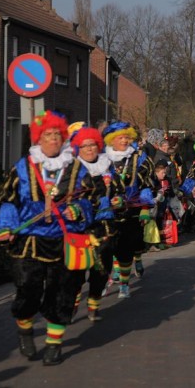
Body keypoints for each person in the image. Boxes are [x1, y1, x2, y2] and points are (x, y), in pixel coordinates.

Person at [0, 111, 97, 366]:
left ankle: (54, 343)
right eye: (47, 135)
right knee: (27, 290)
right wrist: (5, 227)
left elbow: (92, 200)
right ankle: (25, 329)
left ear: (63, 139)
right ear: (39, 139)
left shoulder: (76, 168)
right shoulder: (23, 167)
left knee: (63, 292)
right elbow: (8, 202)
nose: (52, 139)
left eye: (57, 135)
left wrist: (78, 210)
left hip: (64, 240)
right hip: (29, 240)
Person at [69, 125, 124, 321]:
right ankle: (74, 300)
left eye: (93, 145)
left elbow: (119, 191)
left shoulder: (106, 166)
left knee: (101, 267)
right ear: (78, 149)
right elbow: (61, 197)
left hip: (104, 227)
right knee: (76, 269)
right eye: (85, 146)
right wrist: (75, 208)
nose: (90, 149)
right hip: (79, 228)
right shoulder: (71, 170)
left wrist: (118, 200)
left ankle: (93, 304)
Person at [102, 121, 155, 298]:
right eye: (120, 137)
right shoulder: (102, 158)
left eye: (127, 137)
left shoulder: (139, 157)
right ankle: (104, 280)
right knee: (107, 247)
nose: (124, 141)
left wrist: (146, 207)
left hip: (131, 208)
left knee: (127, 246)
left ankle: (124, 283)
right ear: (111, 140)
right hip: (107, 211)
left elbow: (147, 184)